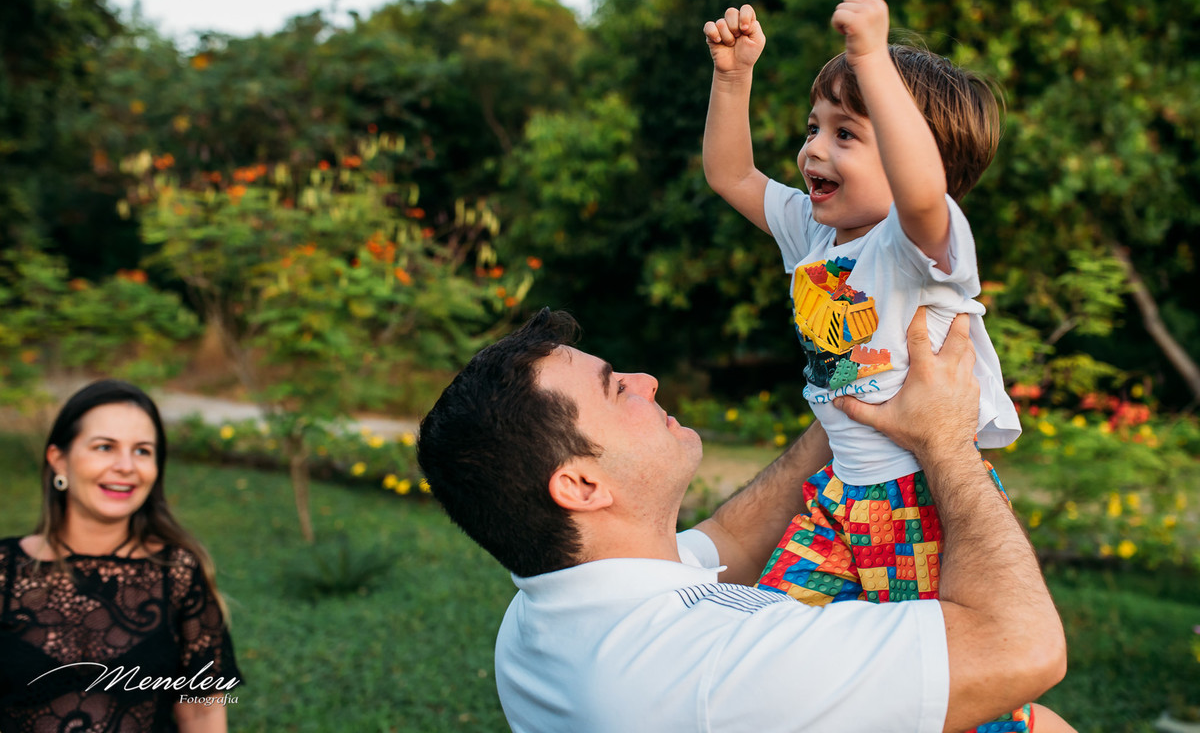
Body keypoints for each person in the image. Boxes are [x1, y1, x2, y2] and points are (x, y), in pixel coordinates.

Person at [702, 0, 1075, 733]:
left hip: (922, 506)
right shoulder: (814, 233)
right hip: (838, 500)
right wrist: (733, 78)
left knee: (945, 703)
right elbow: (731, 176)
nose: (813, 149)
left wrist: (873, 57)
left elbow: (922, 191)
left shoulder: (919, 244)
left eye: (847, 133)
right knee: (767, 658)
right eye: (814, 127)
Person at [417, 307, 1068, 732]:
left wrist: (847, 402)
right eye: (617, 388)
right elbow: (1023, 648)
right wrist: (946, 441)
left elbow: (730, 538)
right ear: (581, 485)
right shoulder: (708, 671)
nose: (646, 380)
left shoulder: (543, 613)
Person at [0, 380, 242, 733]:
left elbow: (201, 712)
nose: (126, 466)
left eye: (142, 451)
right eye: (105, 447)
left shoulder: (178, 574)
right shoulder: (5, 571)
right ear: (59, 460)